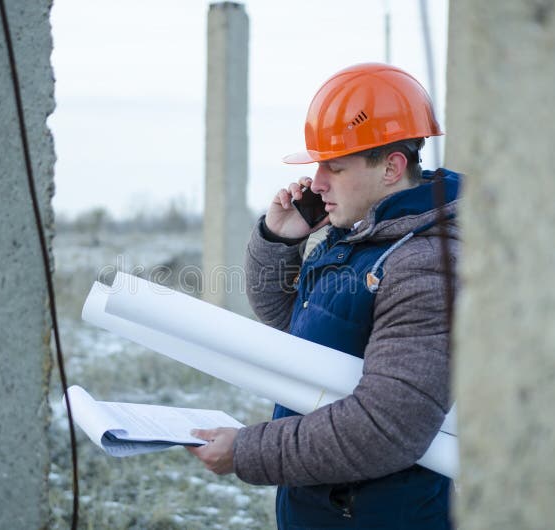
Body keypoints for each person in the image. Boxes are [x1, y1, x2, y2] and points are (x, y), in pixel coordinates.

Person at [188, 62, 460, 529]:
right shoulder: (357, 234)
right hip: (323, 509)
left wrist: (248, 450)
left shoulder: (427, 264)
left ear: (392, 167)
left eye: (334, 166)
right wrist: (280, 239)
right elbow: (292, 321)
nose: (316, 184)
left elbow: (386, 428)